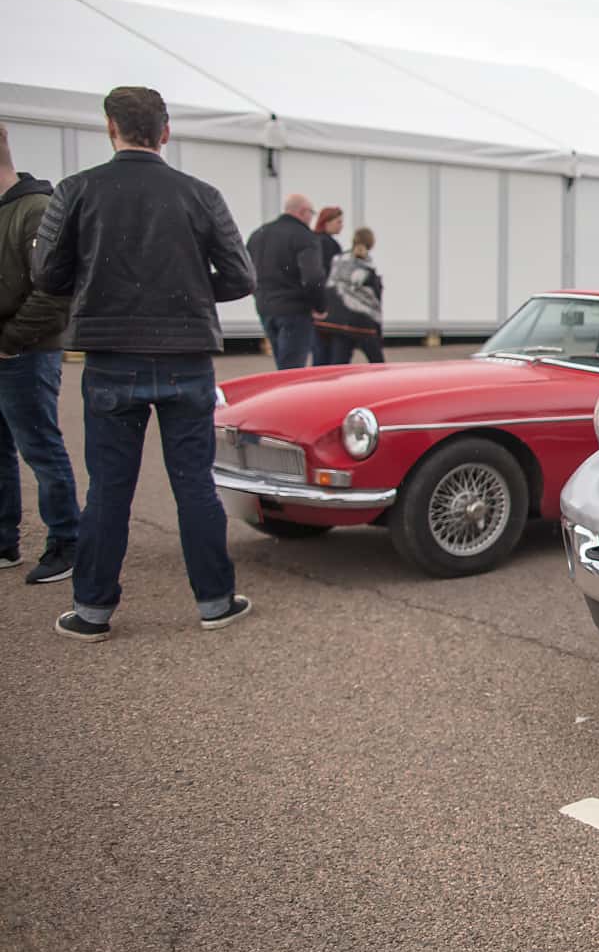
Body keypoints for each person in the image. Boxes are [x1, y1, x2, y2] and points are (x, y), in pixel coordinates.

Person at [32, 86, 256, 642]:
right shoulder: (200, 194)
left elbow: (47, 274)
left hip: (111, 359)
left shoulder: (77, 190)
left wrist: (97, 285)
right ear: (166, 130)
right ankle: (214, 601)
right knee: (194, 485)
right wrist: (185, 289)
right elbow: (240, 276)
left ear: (111, 128)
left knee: (108, 488)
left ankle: (92, 611)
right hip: (186, 358)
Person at [0, 125, 81, 584]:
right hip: (10, 351)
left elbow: (53, 293)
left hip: (26, 356)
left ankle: (67, 541)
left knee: (40, 449)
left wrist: (9, 340)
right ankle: (4, 540)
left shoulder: (36, 210)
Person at [247, 193, 325, 368]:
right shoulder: (304, 236)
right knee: (292, 368)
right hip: (295, 310)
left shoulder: (258, 234)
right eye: (312, 213)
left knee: (282, 363)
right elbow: (313, 277)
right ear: (303, 212)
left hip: (265, 307)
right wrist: (320, 306)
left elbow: (246, 271)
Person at [314, 227, 385, 365]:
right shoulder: (368, 267)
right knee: (377, 363)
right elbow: (374, 296)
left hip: (340, 321)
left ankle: (336, 386)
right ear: (371, 243)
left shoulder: (338, 260)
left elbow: (331, 284)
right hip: (363, 321)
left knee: (339, 364)